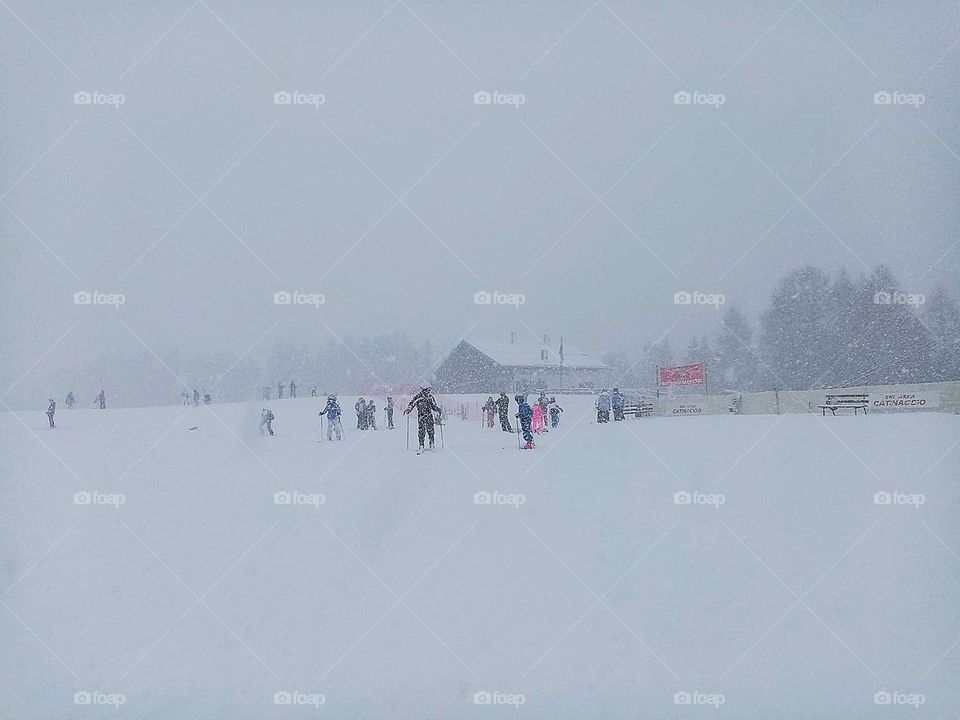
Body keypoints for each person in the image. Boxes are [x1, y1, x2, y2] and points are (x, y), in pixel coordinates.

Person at [404, 385, 441, 452]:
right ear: (424, 390)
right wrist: (408, 410)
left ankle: (432, 444)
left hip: (429, 416)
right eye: (428, 390)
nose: (429, 392)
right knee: (421, 431)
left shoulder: (430, 397)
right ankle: (421, 445)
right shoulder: (418, 397)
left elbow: (434, 406)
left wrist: (437, 409)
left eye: (429, 390)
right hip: (421, 416)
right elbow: (412, 404)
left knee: (431, 431)